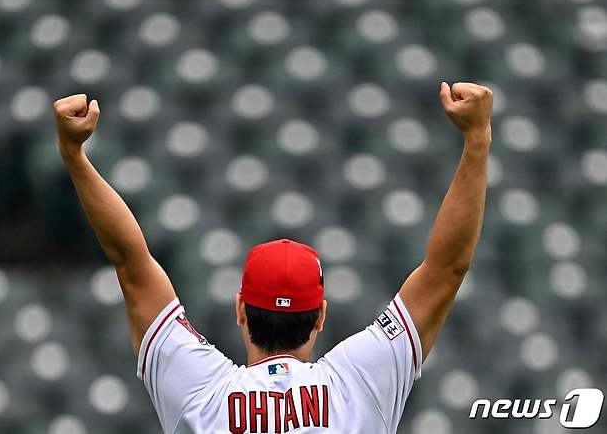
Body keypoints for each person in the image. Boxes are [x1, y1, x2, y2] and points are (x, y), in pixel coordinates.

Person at [53, 81, 493, 433]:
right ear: (320, 316)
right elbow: (447, 268)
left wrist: (74, 156)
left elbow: (132, 263)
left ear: (241, 309)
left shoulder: (201, 390)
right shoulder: (358, 383)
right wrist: (477, 140)